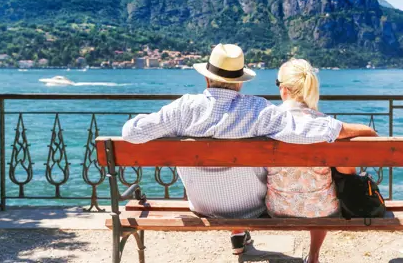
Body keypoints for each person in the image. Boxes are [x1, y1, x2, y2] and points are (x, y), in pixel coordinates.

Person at [121, 44, 377, 255]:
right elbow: (305, 131)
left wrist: (167, 122)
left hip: (200, 204)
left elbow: (131, 132)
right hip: (251, 209)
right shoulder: (257, 110)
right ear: (241, 82)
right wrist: (352, 129)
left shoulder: (182, 108)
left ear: (206, 77)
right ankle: (242, 232)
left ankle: (238, 238)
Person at [266, 59, 365, 263]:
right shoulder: (326, 125)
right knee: (322, 191)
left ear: (284, 89)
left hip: (276, 207)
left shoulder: (266, 121)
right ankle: (314, 256)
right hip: (322, 210)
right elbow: (368, 137)